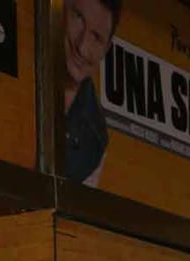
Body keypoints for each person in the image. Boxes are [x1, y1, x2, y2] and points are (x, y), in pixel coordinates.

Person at [63, 0, 119, 186]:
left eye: (96, 37)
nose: (82, 47)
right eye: (78, 18)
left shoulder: (96, 140)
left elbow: (70, 214)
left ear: (107, 49)